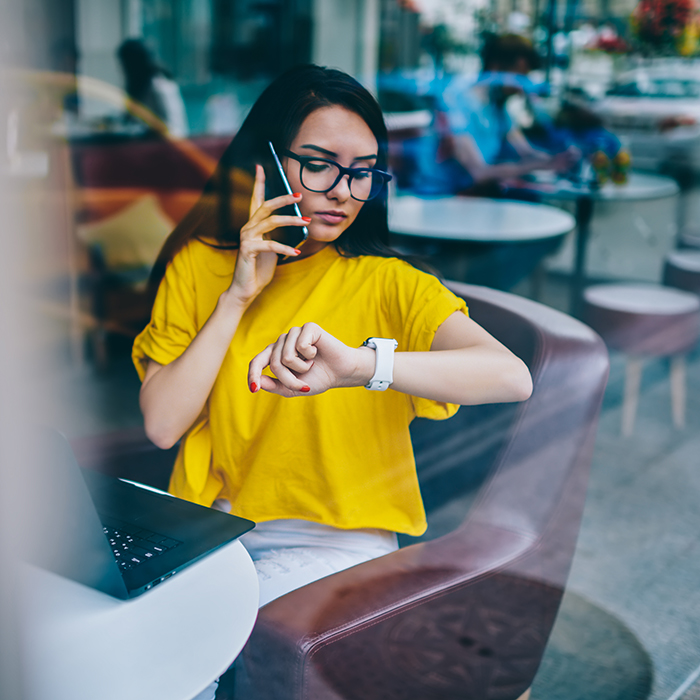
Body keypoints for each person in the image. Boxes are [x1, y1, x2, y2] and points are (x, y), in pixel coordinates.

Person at [132, 64, 532, 699]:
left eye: (364, 171)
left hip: (334, 543)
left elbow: (511, 377)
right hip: (211, 531)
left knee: (199, 654)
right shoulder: (201, 267)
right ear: (264, 158)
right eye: (319, 164)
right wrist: (237, 297)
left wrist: (361, 367)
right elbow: (162, 425)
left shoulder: (389, 284)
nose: (344, 191)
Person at [412, 33, 578, 196]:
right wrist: (543, 165)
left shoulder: (497, 105)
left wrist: (559, 159)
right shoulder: (455, 100)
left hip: (472, 195)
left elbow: (526, 152)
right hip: (444, 198)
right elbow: (479, 172)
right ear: (496, 68)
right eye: (519, 76)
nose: (521, 87)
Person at [116, 38, 189, 137]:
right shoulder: (141, 85)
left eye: (124, 64)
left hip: (165, 148)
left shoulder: (160, 86)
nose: (122, 70)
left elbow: (173, 128)